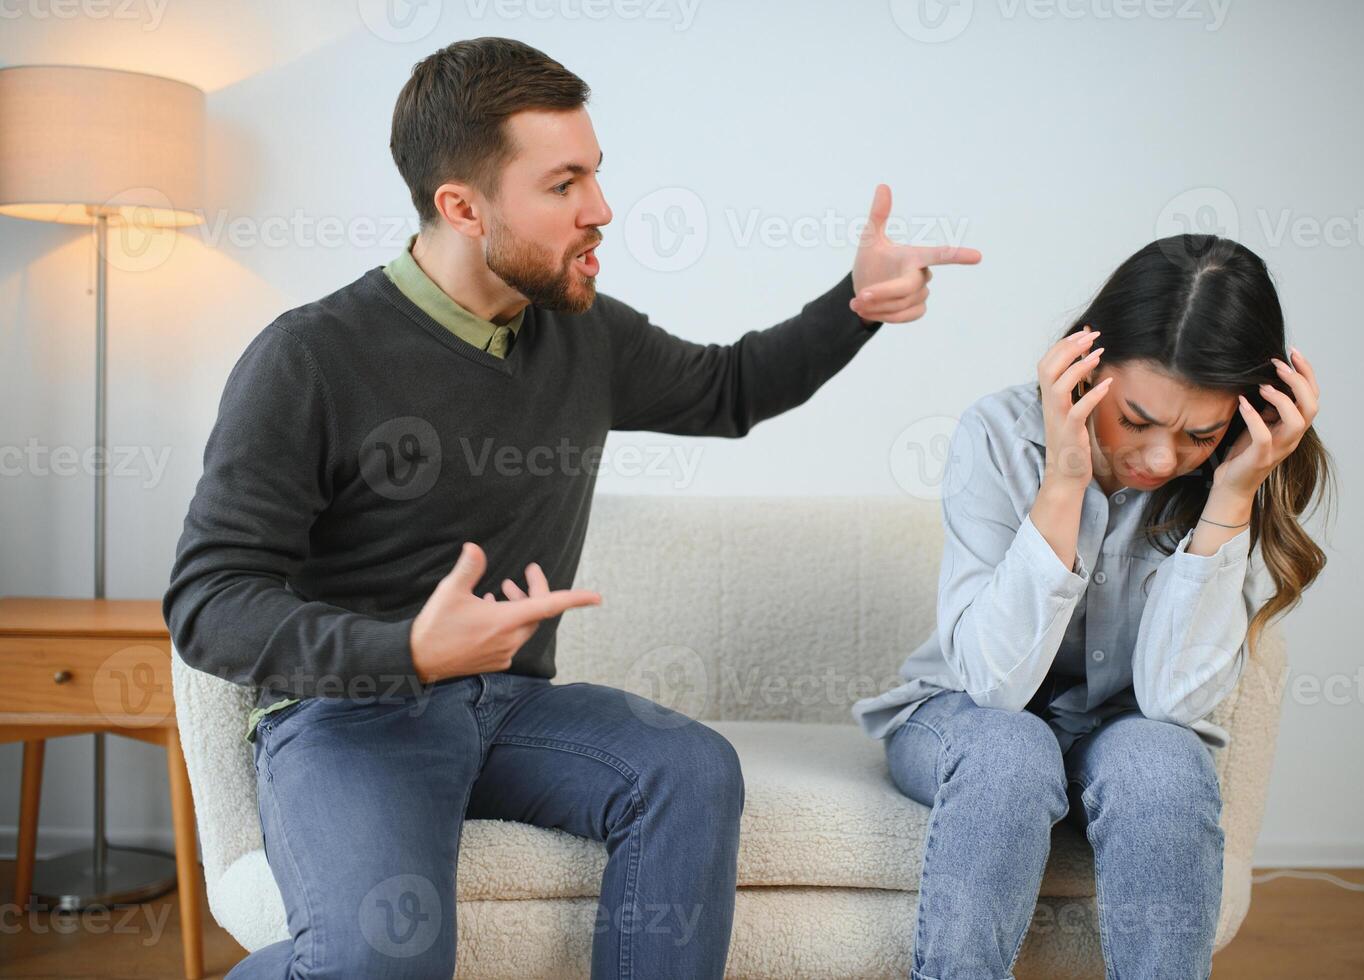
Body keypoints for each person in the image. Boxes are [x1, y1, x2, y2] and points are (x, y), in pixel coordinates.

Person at [162, 36, 980, 980]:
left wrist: (855, 304)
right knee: (382, 961)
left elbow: (731, 388)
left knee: (687, 767)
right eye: (563, 185)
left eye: (594, 174)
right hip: (350, 715)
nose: (601, 210)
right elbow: (209, 600)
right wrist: (406, 652)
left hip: (510, 708)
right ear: (461, 207)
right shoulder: (309, 357)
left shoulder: (581, 335)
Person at [852, 234, 1334, 979]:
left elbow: (1173, 702)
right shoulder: (999, 436)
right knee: (1010, 750)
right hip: (964, 717)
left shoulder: (1242, 470)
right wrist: (1064, 479)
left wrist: (1232, 494)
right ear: (1086, 366)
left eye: (1197, 434)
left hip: (1120, 730)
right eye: (1135, 420)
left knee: (1165, 762)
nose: (1157, 459)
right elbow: (991, 686)